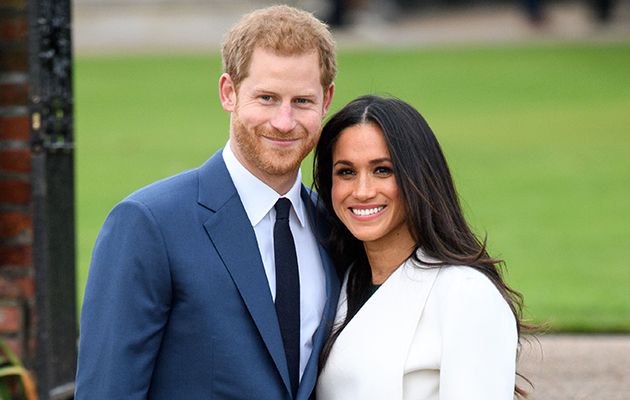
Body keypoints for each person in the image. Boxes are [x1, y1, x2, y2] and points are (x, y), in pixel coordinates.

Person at [75, 5, 340, 399]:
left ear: (326, 100)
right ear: (228, 92)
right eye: (266, 98)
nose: (284, 122)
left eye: (301, 101)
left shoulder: (334, 227)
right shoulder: (149, 224)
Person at [313, 95, 528, 399]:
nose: (362, 191)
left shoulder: (465, 293)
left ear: (418, 177)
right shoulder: (339, 281)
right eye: (346, 172)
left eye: (382, 170)